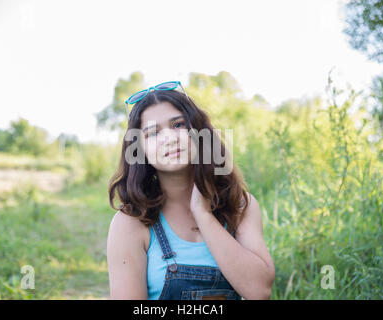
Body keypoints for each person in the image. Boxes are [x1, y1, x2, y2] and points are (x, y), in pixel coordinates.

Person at [107, 81, 275, 300]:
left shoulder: (240, 205)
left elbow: (259, 291)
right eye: (152, 133)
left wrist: (203, 214)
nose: (169, 138)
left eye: (178, 125)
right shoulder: (130, 222)